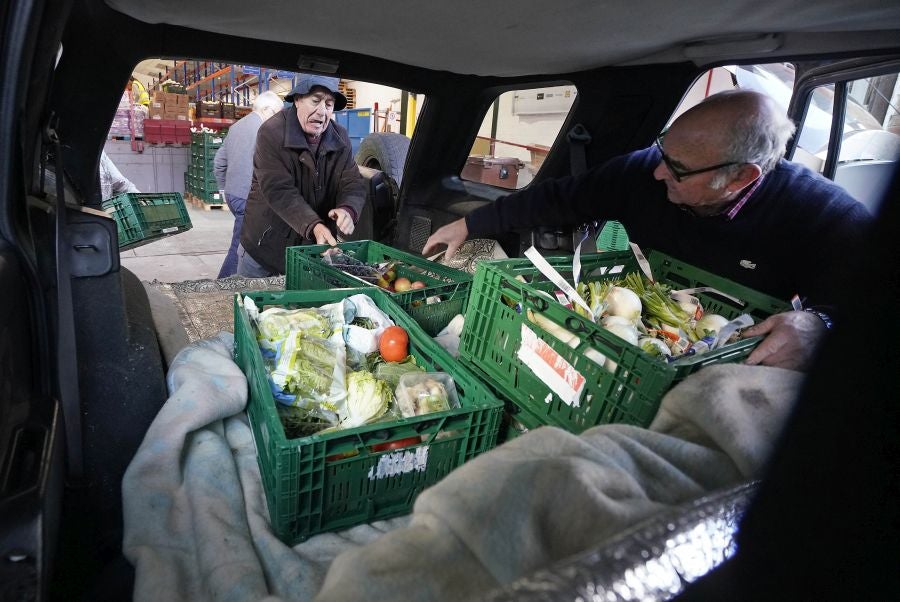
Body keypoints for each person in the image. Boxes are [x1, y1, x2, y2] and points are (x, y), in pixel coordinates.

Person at [423, 89, 873, 371]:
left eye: (677, 168)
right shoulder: (641, 172)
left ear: (740, 179)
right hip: (634, 342)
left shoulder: (822, 216)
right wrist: (469, 222)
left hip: (727, 365)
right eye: (662, 151)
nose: (658, 173)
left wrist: (821, 325)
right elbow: (558, 198)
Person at [237, 74, 366, 277]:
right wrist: (313, 224)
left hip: (309, 251)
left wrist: (348, 209)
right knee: (252, 305)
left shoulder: (340, 138)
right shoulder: (271, 133)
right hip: (264, 248)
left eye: (329, 104)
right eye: (315, 101)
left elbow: (352, 182)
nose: (322, 111)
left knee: (299, 308)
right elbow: (279, 190)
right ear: (297, 100)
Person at [213, 91, 284, 278]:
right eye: (278, 113)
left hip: (233, 195)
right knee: (241, 247)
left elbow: (219, 162)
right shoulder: (266, 131)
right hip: (248, 198)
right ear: (268, 109)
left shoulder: (235, 127)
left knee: (247, 242)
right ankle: (223, 285)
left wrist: (224, 190)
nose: (280, 119)